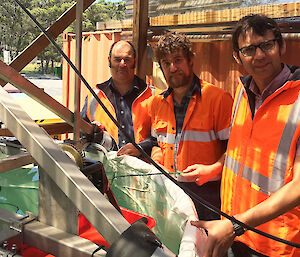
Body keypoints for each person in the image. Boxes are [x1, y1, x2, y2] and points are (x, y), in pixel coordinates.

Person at [189, 14, 300, 257]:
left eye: (267, 45)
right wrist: (215, 168)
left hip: (274, 245)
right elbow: (242, 150)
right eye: (249, 49)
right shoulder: (243, 92)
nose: (259, 55)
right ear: (237, 58)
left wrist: (236, 224)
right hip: (235, 231)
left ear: (282, 46)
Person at [150, 32, 233, 220]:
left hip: (207, 197)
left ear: (191, 60)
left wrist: (213, 169)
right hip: (169, 193)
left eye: (178, 60)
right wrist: (157, 156)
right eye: (166, 63)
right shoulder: (157, 103)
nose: (172, 68)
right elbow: (156, 143)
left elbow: (235, 151)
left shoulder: (217, 99)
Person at [81, 40, 154, 156]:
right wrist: (93, 130)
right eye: (117, 59)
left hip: (142, 170)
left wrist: (141, 149)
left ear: (134, 62)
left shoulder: (153, 96)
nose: (122, 64)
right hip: (104, 170)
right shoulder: (94, 97)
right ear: (109, 61)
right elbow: (81, 134)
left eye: (127, 59)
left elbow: (162, 139)